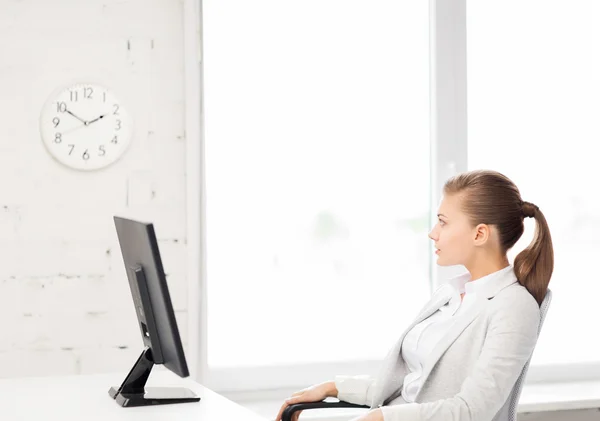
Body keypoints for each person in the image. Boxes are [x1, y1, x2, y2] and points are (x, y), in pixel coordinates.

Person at [275, 169, 554, 421]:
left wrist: (382, 418)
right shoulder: (451, 295)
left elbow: (472, 410)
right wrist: (333, 387)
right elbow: (411, 386)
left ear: (479, 234)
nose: (433, 233)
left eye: (443, 222)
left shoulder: (514, 307)